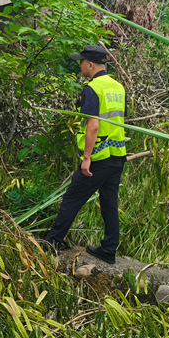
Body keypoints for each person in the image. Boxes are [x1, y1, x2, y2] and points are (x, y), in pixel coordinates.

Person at [42, 45, 127, 265]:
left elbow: (93, 125)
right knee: (109, 203)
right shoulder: (118, 87)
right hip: (117, 154)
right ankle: (108, 249)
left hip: (98, 157)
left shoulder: (92, 88)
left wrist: (87, 158)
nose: (79, 65)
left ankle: (52, 242)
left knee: (72, 198)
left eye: (81, 62)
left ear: (90, 64)